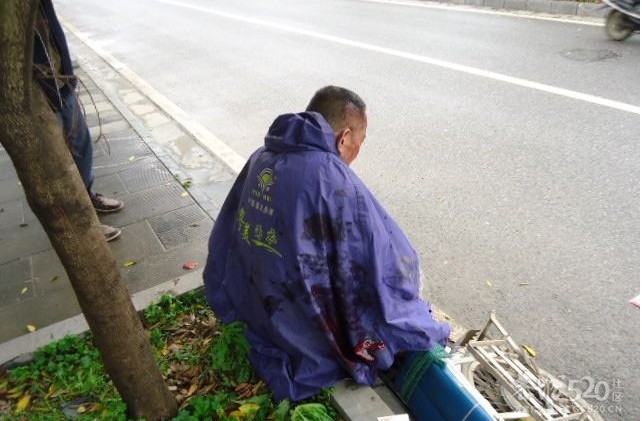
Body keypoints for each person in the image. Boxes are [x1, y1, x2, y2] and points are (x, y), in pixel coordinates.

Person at [203, 86, 451, 401]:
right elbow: (388, 260)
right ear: (344, 137)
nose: (358, 149)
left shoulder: (261, 155)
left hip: (249, 302)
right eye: (361, 140)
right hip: (299, 326)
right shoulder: (330, 178)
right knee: (390, 324)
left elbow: (226, 234)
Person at [33, 0, 124, 242]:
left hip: (62, 85)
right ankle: (78, 222)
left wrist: (68, 78)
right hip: (38, 97)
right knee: (57, 164)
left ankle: (87, 197)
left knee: (81, 146)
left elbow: (54, 36)